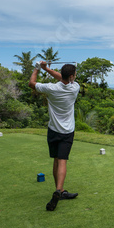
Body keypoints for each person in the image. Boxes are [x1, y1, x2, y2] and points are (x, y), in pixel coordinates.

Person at [29, 61, 80, 211]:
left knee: (56, 160)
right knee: (62, 161)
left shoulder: (51, 88)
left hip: (53, 130)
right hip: (67, 131)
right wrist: (48, 69)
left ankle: (60, 190)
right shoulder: (74, 88)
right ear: (71, 76)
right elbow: (63, 78)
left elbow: (32, 83)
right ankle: (59, 190)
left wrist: (38, 68)